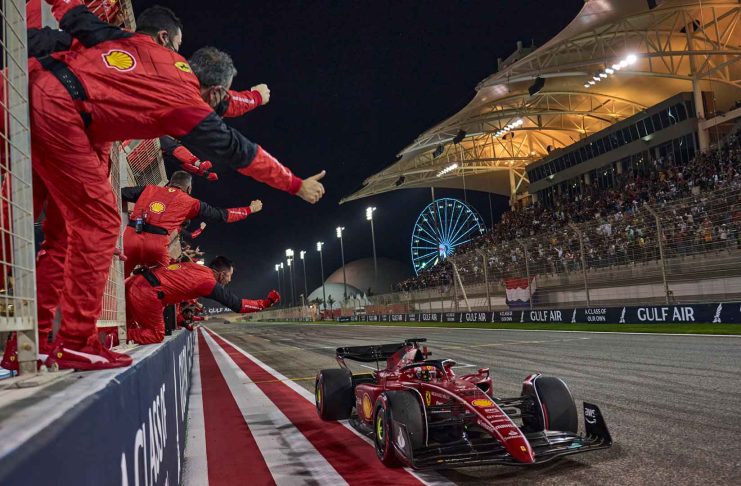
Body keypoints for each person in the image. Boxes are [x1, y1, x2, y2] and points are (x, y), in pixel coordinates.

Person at [31, 1, 325, 370]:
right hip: (61, 113)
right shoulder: (186, 109)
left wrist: (253, 98)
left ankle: (34, 342)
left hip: (32, 83)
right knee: (99, 225)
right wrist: (294, 184)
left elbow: (74, 13)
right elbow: (239, 153)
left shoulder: (130, 42)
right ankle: (74, 341)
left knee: (59, 232)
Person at [121, 170, 262, 276]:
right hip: (156, 245)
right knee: (159, 284)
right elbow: (222, 215)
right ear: (189, 189)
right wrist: (249, 209)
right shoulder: (192, 203)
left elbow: (121, 193)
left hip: (131, 236)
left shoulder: (149, 189)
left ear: (169, 183)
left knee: (117, 278)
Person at [125, 256, 279, 344]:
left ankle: (114, 336)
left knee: (127, 325)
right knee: (156, 334)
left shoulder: (195, 267)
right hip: (146, 293)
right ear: (222, 274)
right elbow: (237, 305)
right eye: (230, 276)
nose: (230, 280)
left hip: (134, 281)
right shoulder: (207, 282)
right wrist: (266, 303)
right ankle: (116, 338)